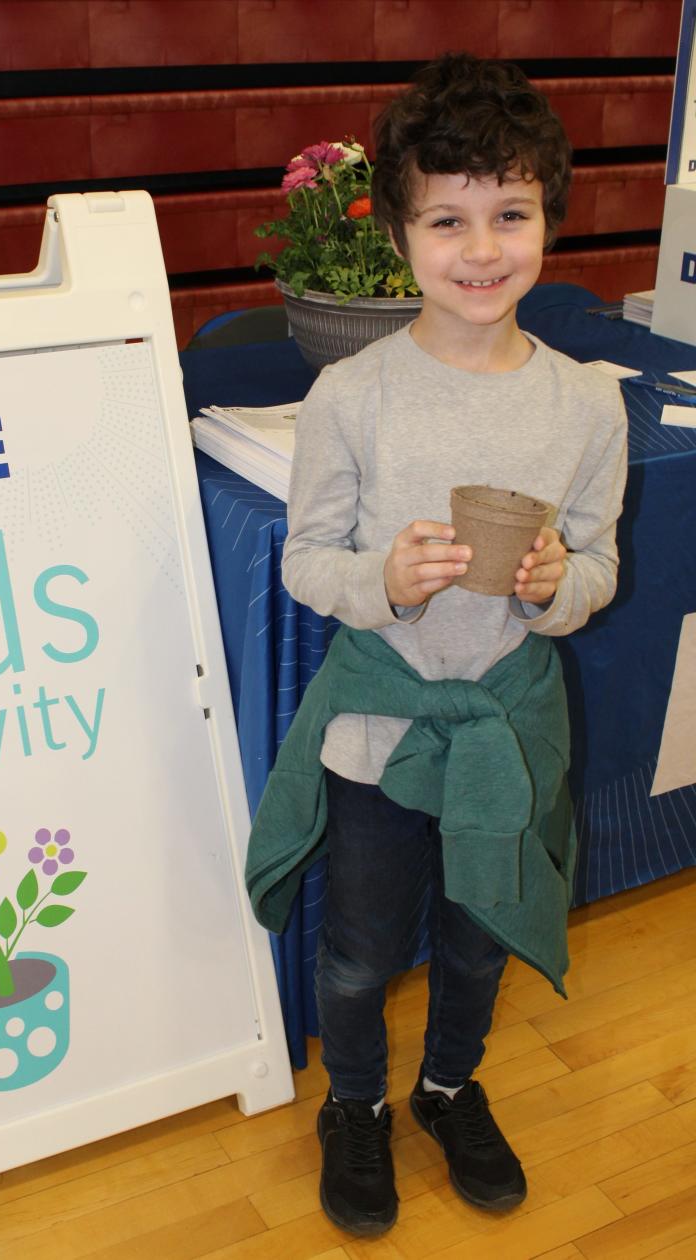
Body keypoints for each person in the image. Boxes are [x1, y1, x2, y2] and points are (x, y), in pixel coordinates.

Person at [245, 52, 628, 1237]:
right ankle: (352, 1106)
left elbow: (601, 570)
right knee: (360, 951)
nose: (481, 247)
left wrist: (562, 585)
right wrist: (384, 580)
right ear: (401, 235)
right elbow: (308, 561)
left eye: (510, 214)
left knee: (479, 939)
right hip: (380, 722)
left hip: (508, 726)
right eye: (448, 217)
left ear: (547, 223)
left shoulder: (587, 404)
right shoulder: (352, 396)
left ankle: (450, 1085)